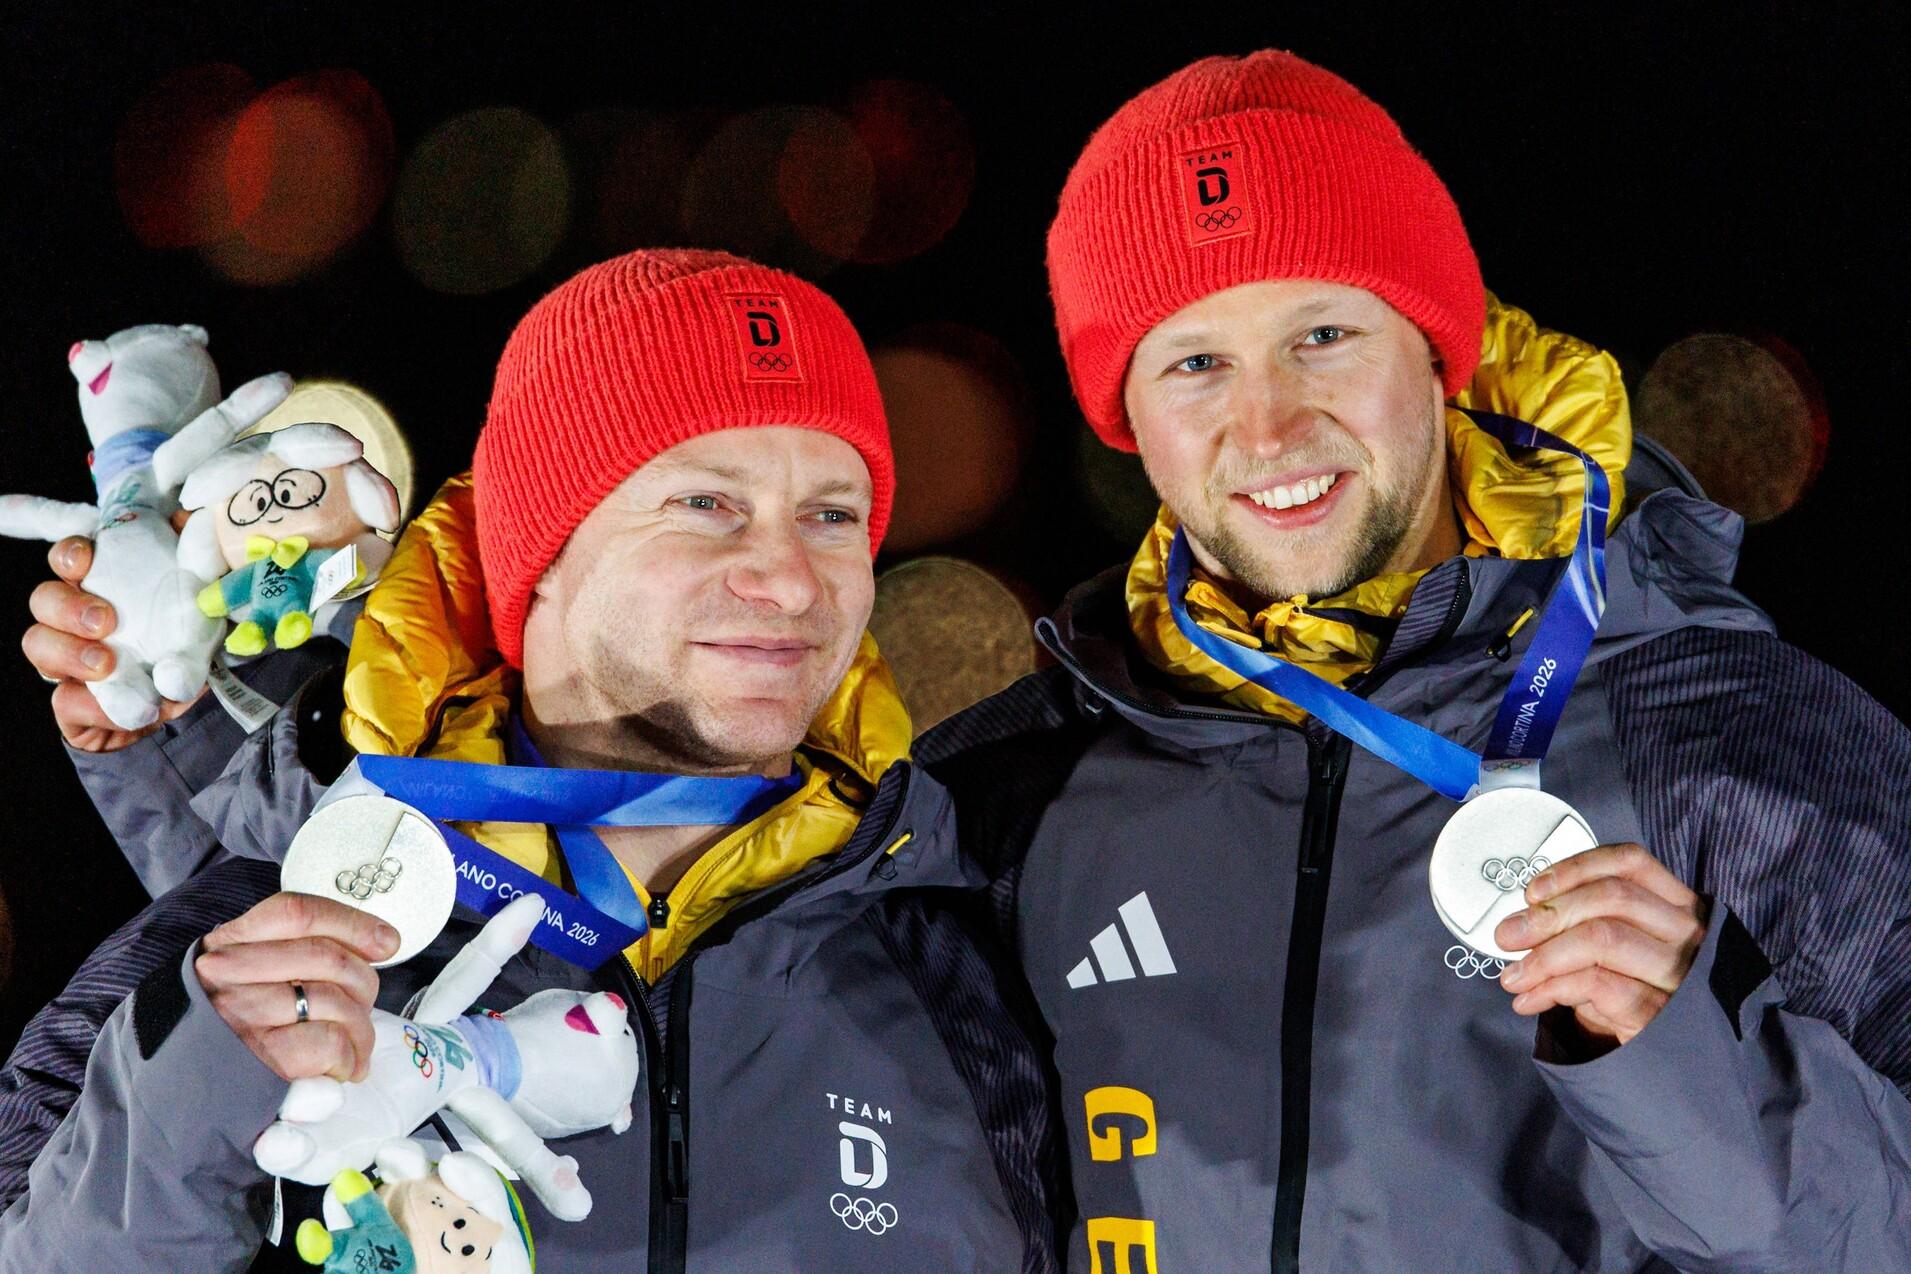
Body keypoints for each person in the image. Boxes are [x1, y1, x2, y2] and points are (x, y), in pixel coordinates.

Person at [918, 51, 1911, 1272]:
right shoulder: (1003, 800)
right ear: (1129, 419)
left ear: (1441, 354)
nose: (1270, 426)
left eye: (1323, 334)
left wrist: (1700, 1070)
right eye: (1196, 362)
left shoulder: (1734, 737)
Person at [0, 248, 1056, 1271]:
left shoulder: (957, 968)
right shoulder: (234, 955)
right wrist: (192, 1099)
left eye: (833, 516)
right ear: (536, 550)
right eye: (706, 504)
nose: (789, 580)